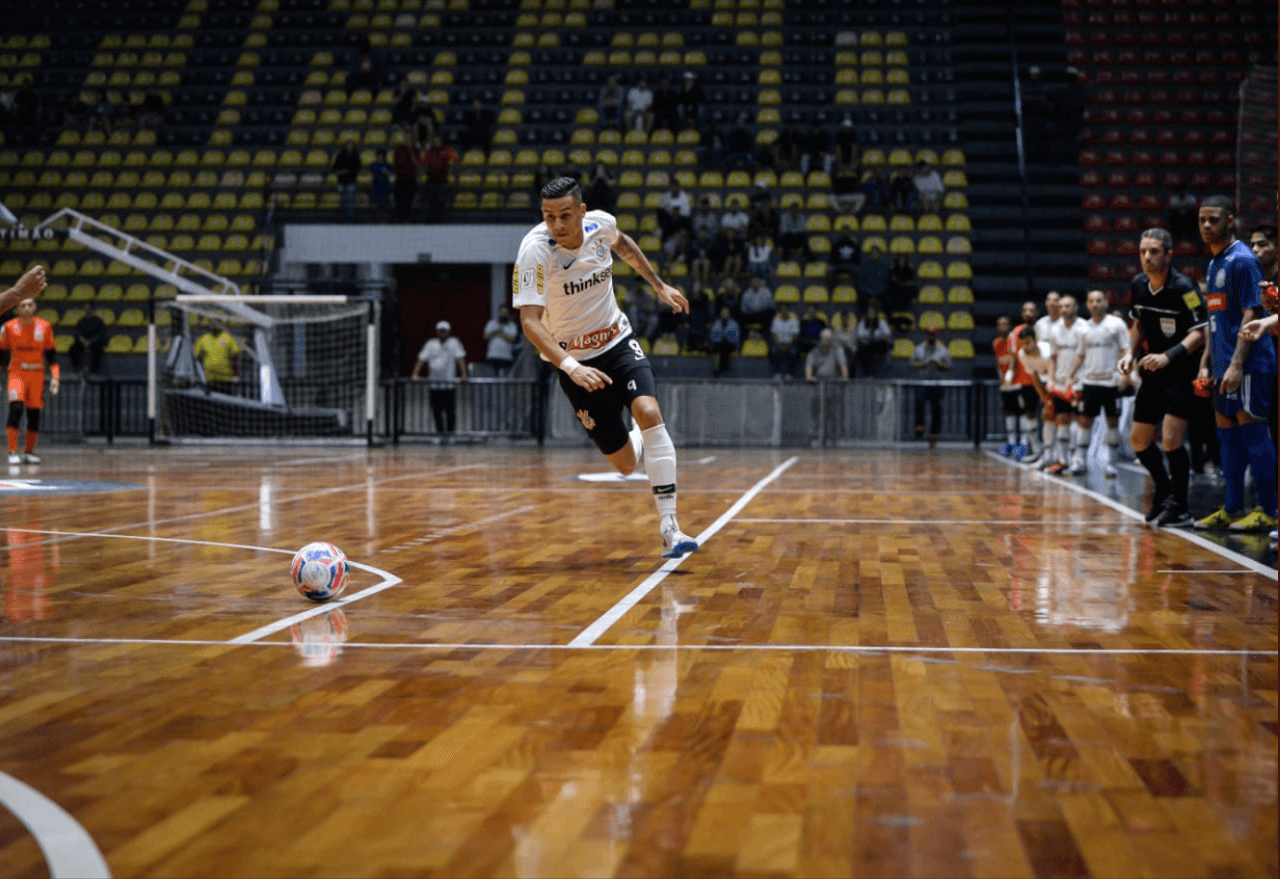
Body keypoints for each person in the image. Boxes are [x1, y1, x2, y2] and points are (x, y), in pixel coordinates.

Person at [512, 176, 698, 558]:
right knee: (627, 464)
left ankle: (670, 527)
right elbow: (530, 322)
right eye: (549, 217)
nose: (557, 225)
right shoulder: (533, 253)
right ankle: (633, 435)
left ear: (582, 211)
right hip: (574, 363)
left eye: (565, 215)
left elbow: (624, 245)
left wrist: (659, 285)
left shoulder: (601, 224)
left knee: (648, 411)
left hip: (616, 342)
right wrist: (569, 366)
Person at [1194, 196, 1277, 533]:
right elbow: (1215, 322)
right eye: (1202, 220)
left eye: (1213, 219)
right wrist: (1206, 363)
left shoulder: (1242, 261)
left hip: (1248, 364)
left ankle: (1269, 510)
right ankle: (1232, 507)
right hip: (1221, 365)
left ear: (1230, 220)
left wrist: (1236, 363)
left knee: (1253, 431)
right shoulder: (1215, 264)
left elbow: (1252, 312)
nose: (1206, 226)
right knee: (1226, 436)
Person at [1120, 228, 1208, 527]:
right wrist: (1129, 354)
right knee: (1139, 440)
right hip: (1152, 371)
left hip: (1182, 371)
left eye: (1154, 251)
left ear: (1169, 254)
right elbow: (1139, 324)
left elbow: (1200, 333)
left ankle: (1181, 507)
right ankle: (1165, 489)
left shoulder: (1185, 287)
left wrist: (1167, 356)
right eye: (1143, 251)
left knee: (1170, 438)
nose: (1147, 257)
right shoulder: (1139, 284)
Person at [1064, 288, 1130, 476]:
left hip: (1111, 382)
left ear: (1106, 303)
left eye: (1099, 300)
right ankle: (1080, 463)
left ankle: (1111, 464)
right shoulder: (1084, 328)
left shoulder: (1117, 324)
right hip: (1090, 383)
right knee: (1084, 422)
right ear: (1087, 304)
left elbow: (1126, 352)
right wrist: (1070, 374)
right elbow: (1079, 354)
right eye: (1091, 301)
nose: (1095, 304)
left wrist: (1124, 375)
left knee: (1112, 423)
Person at [0, 298, 59, 465]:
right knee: (16, 408)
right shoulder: (9, 327)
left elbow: (52, 356)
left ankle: (29, 452)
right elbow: (1, 354)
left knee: (34, 414)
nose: (26, 308)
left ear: (35, 307)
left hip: (37, 374)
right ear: (17, 309)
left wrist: (55, 377)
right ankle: (12, 451)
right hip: (17, 373)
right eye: (22, 305)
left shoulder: (45, 326)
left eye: (29, 305)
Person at [1042, 293, 1087, 474]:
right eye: (1061, 306)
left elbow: (1085, 355)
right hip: (1060, 383)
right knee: (1061, 420)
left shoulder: (1084, 328)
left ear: (1075, 308)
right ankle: (1063, 461)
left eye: (1068, 306)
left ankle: (1080, 461)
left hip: (1079, 382)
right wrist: (1051, 379)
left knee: (1082, 421)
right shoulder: (1054, 329)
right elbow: (1053, 357)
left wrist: (1077, 376)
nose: (1064, 309)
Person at [411, 319, 468, 438]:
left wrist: (464, 374)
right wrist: (415, 373)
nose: (442, 333)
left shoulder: (454, 342)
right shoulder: (431, 344)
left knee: (450, 412)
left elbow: (460, 358)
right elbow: (422, 359)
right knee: (437, 411)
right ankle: (439, 433)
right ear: (437, 332)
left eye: (444, 331)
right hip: (435, 385)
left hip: (449, 384)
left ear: (448, 332)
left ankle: (451, 434)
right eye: (440, 331)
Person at [910, 326, 951, 446]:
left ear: (937, 336)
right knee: (919, 403)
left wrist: (939, 364)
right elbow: (912, 364)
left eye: (934, 335)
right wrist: (924, 363)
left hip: (937, 382)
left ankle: (933, 435)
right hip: (923, 382)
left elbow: (949, 367)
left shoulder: (943, 350)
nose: (931, 337)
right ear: (926, 335)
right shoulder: (919, 349)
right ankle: (919, 426)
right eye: (929, 334)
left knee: (936, 409)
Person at [194, 325, 242, 394]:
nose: (214, 326)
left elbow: (234, 357)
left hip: (225, 378)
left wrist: (236, 375)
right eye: (212, 324)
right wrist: (197, 374)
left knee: (225, 400)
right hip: (208, 378)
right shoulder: (203, 339)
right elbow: (196, 357)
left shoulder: (227, 337)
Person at [854, 306, 892, 377]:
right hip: (867, 344)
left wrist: (876, 338)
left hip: (879, 344)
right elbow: (859, 336)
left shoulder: (881, 322)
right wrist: (865, 341)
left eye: (872, 313)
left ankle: (875, 373)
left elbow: (887, 335)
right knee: (862, 349)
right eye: (869, 314)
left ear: (875, 314)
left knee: (879, 346)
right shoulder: (862, 323)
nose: (871, 315)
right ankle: (866, 374)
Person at [483, 305, 519, 376]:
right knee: (492, 380)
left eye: (505, 313)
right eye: (502, 312)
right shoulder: (491, 323)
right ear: (499, 313)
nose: (503, 314)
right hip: (492, 356)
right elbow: (485, 336)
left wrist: (501, 333)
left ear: (508, 314)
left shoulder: (512, 326)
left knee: (505, 381)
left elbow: (512, 339)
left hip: (506, 357)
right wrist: (496, 331)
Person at [331, 140, 361, 222]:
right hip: (342, 181)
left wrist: (347, 171)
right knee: (343, 201)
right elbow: (335, 168)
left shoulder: (355, 156)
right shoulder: (340, 156)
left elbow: (357, 168)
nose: (349, 147)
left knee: (350, 202)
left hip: (351, 181)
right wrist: (342, 171)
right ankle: (343, 220)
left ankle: (350, 220)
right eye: (348, 145)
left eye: (351, 145)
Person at [391, 132, 418, 222]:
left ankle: (408, 222)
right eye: (406, 138)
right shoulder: (399, 150)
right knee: (399, 203)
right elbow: (397, 163)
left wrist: (410, 150)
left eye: (410, 138)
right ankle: (400, 222)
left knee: (409, 203)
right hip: (400, 180)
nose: (408, 140)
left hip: (411, 181)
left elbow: (416, 163)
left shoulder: (415, 150)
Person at [768, 303, 801, 378]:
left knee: (793, 352)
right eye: (782, 310)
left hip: (790, 344)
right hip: (778, 343)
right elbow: (773, 335)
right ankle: (777, 373)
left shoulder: (793, 321)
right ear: (780, 312)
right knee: (773, 351)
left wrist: (787, 346)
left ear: (788, 311)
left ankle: (789, 374)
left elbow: (795, 336)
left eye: (785, 310)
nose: (784, 311)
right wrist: (779, 345)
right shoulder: (776, 321)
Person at [69, 310, 106, 376]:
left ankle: (94, 371)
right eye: (86, 309)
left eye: (89, 309)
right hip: (83, 342)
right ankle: (77, 368)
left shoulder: (98, 321)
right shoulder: (82, 320)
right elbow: (78, 333)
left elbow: (100, 334)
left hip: (94, 341)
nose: (87, 311)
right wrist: (83, 341)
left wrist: (90, 341)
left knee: (98, 348)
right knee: (73, 349)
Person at [708, 305, 741, 378]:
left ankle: (717, 370)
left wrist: (726, 337)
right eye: (723, 312)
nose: (724, 314)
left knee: (722, 346)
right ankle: (721, 368)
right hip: (719, 343)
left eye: (726, 312)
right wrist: (721, 338)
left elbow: (736, 337)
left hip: (731, 344)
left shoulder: (734, 324)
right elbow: (712, 336)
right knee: (720, 347)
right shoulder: (716, 323)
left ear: (729, 314)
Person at [368, 149, 393, 221]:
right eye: (379, 156)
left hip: (385, 189)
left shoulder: (388, 165)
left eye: (382, 156)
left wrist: (386, 172)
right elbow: (374, 169)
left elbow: (391, 174)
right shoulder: (374, 165)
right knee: (376, 210)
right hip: (376, 189)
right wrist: (384, 171)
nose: (380, 157)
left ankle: (384, 222)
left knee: (385, 210)